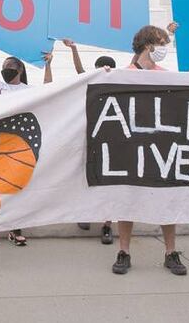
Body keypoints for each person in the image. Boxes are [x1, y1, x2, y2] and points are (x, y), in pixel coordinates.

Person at [113, 24, 188, 277]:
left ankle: (170, 252)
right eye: (161, 43)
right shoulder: (123, 74)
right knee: (127, 200)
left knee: (166, 199)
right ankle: (123, 252)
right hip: (132, 148)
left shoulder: (166, 75)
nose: (164, 49)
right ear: (148, 45)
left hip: (161, 148)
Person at [0, 36, 53, 248]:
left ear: (20, 69)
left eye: (9, 66)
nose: (5, 69)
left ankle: (15, 228)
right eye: (4, 67)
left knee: (17, 189)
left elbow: (49, 87)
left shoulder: (29, 91)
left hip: (19, 147)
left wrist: (48, 64)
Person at [64, 38, 118, 246]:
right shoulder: (92, 84)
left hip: (113, 142)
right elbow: (80, 72)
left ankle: (107, 224)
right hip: (91, 139)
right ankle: (85, 213)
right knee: (86, 177)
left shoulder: (120, 85)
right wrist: (75, 49)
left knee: (109, 184)